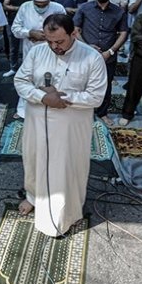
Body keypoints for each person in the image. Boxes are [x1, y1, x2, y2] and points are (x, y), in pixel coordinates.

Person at [13, 13, 107, 237]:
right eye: (49, 41)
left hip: (70, 127)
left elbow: (96, 97)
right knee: (35, 160)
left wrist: (65, 98)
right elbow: (20, 81)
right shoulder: (37, 52)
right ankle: (33, 197)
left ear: (74, 33)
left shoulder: (91, 57)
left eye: (60, 41)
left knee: (66, 168)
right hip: (37, 121)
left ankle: (69, 212)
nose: (54, 46)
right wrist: (42, 97)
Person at [73, 0, 128, 125]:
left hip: (107, 56)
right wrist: (87, 47)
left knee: (106, 84)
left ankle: (102, 113)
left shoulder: (119, 11)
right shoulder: (84, 8)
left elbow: (123, 33)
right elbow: (75, 30)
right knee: (82, 83)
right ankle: (83, 111)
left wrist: (110, 51)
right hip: (85, 54)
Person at [11, 0, 66, 118]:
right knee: (28, 78)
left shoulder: (58, 8)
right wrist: (29, 33)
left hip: (52, 49)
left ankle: (52, 105)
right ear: (32, 1)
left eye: (44, 5)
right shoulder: (25, 7)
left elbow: (65, 29)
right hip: (30, 49)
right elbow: (15, 28)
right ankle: (23, 110)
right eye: (37, 5)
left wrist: (47, 36)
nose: (40, 7)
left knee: (52, 77)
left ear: (49, 1)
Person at [2, 0, 34, 77]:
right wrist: (19, 8)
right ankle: (13, 68)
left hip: (29, 23)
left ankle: (29, 68)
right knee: (13, 47)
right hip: (13, 22)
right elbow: (6, 5)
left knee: (30, 47)